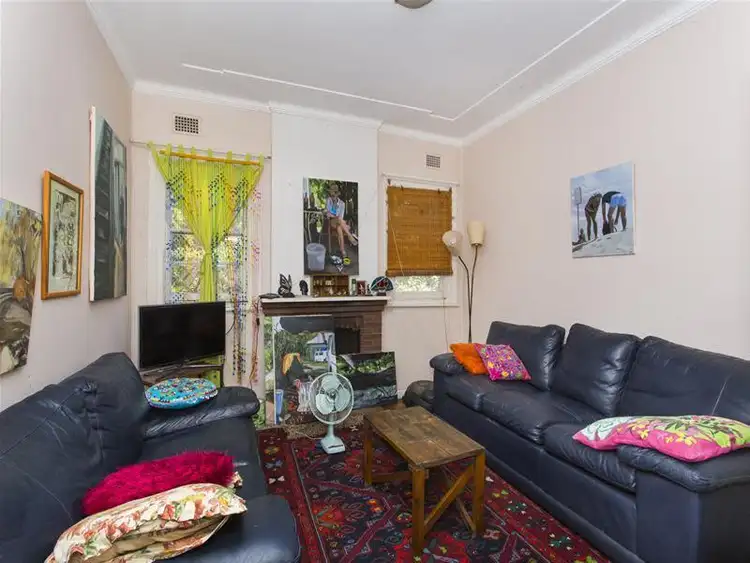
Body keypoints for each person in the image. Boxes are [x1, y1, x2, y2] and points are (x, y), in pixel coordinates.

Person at [325, 184, 358, 265]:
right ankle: (350, 235)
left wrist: (333, 214)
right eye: (331, 195)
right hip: (332, 222)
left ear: (337, 194)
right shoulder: (328, 200)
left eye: (333, 195)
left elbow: (340, 216)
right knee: (340, 221)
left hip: (339, 222)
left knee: (339, 228)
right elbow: (328, 214)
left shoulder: (342, 204)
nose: (332, 197)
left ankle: (343, 251)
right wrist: (334, 215)